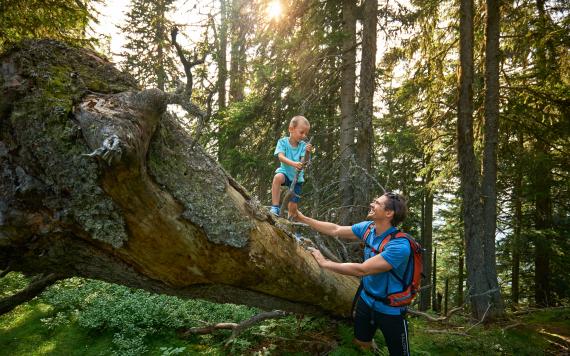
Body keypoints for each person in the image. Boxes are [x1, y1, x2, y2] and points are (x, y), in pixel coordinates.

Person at [296, 192, 412, 355]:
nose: (372, 204)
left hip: (390, 309)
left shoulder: (399, 246)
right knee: (361, 343)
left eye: (377, 203)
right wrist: (302, 218)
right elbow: (336, 229)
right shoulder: (369, 229)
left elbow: (362, 269)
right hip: (366, 300)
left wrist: (325, 263)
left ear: (388, 213)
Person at [269, 115, 313, 219]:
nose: (303, 136)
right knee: (277, 177)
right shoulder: (282, 142)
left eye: (306, 133)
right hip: (285, 173)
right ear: (291, 129)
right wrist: (294, 164)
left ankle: (291, 224)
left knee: (293, 206)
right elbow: (281, 157)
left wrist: (307, 152)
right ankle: (275, 206)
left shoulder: (303, 146)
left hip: (297, 179)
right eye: (301, 132)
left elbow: (305, 162)